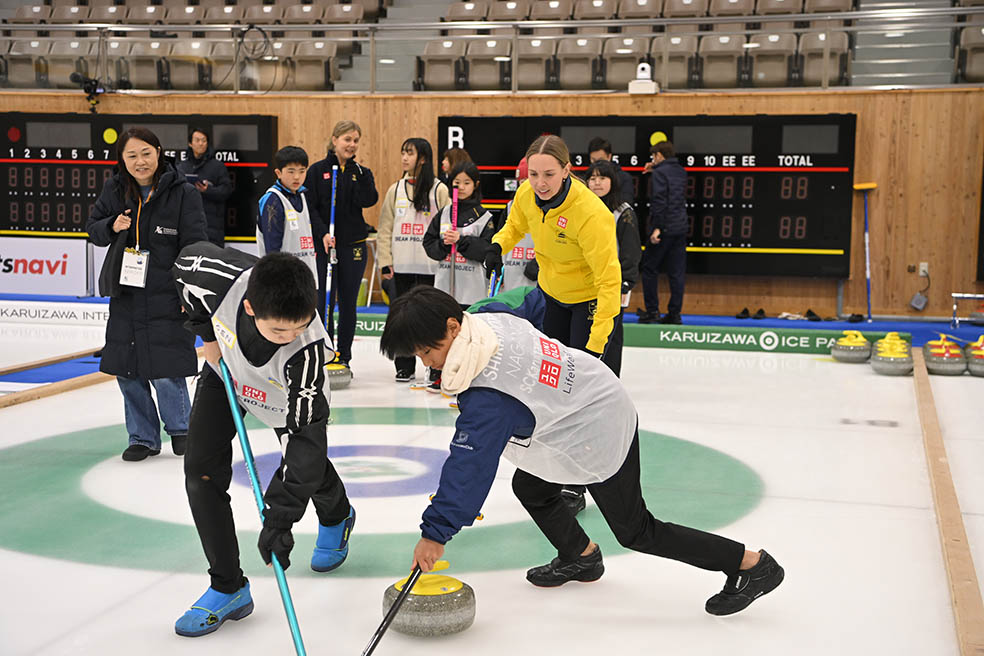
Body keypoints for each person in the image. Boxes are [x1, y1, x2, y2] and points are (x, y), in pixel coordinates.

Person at [380, 286, 785, 618]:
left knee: (637, 530)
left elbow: (469, 467)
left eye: (426, 351)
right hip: (584, 397)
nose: (426, 362)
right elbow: (538, 298)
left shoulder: (489, 396)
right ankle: (582, 555)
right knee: (532, 487)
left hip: (598, 425)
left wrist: (435, 535)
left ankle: (751, 565)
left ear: (452, 327)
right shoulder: (488, 317)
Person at [171, 244, 356, 638]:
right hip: (226, 373)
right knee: (200, 472)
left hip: (281, 394)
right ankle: (228, 586)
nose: (290, 336)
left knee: (306, 462)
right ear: (251, 308)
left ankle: (337, 513)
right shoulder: (213, 276)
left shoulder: (305, 353)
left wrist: (280, 519)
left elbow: (306, 443)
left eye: (300, 326)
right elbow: (183, 272)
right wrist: (205, 333)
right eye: (279, 330)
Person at [86, 127, 208, 462]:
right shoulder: (114, 189)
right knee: (127, 369)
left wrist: (189, 293)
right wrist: (112, 226)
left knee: (166, 367)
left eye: (145, 153)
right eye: (131, 156)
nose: (140, 162)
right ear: (122, 159)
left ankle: (181, 430)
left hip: (167, 292)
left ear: (158, 152)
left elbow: (196, 245)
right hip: (126, 293)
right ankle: (142, 437)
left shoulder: (183, 192)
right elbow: (93, 230)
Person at [487, 134, 621, 365]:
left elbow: (608, 281)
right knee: (553, 373)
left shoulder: (591, 214)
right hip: (550, 294)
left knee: (582, 375)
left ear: (566, 170)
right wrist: (497, 247)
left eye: (549, 175)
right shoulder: (526, 193)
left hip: (588, 300)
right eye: (533, 174)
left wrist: (597, 344)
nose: (540, 183)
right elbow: (515, 226)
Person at [304, 120, 379, 371]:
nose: (352, 144)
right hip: (326, 245)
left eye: (356, 140)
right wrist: (323, 233)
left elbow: (370, 199)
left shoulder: (360, 172)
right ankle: (325, 351)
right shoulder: (316, 171)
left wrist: (358, 178)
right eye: (347, 139)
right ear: (334, 140)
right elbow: (311, 208)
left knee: (348, 302)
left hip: (353, 244)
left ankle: (343, 355)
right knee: (325, 300)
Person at [376, 137, 449, 383]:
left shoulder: (439, 189)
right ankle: (404, 365)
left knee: (431, 318)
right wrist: (385, 261)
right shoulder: (395, 189)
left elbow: (447, 225)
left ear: (423, 158)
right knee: (402, 318)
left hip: (430, 267)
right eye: (403, 152)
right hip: (401, 267)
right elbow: (385, 228)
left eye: (410, 153)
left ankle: (436, 366)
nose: (405, 158)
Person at [421, 161, 496, 392]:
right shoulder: (444, 214)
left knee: (467, 333)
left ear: (475, 185)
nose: (461, 187)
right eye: (456, 183)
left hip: (471, 288)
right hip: (445, 286)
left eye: (466, 183)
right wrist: (443, 245)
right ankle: (438, 373)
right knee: (440, 329)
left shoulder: (485, 217)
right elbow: (429, 243)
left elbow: (488, 250)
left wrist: (461, 242)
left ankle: (469, 374)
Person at [582, 159, 641, 377]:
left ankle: (610, 381)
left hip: (612, 284)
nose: (596, 183)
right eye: (592, 178)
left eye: (602, 178)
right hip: (584, 284)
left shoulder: (623, 213)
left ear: (612, 182)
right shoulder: (582, 209)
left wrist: (625, 283)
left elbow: (631, 251)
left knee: (612, 335)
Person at [257, 146, 325, 292]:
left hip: (306, 278)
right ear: (278, 173)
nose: (297, 177)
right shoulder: (273, 200)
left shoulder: (302, 196)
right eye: (291, 171)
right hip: (283, 282)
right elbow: (272, 250)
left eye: (302, 171)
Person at [640, 140, 688, 325]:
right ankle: (674, 314)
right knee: (676, 273)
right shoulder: (681, 172)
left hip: (664, 228)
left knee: (649, 269)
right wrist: (654, 169)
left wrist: (657, 227)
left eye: (654, 156)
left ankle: (652, 311)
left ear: (659, 155)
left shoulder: (660, 173)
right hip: (680, 227)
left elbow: (660, 200)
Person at [176, 126, 233, 247]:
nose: (201, 144)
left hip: (213, 226)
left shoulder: (217, 166)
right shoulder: (182, 167)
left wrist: (208, 190)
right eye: (197, 140)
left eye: (204, 140)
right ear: (190, 143)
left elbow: (227, 190)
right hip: (188, 225)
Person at [499, 157, 538, 292]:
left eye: (528, 181)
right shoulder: (510, 207)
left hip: (537, 285)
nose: (525, 186)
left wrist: (539, 264)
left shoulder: (551, 208)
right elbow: (500, 238)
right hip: (511, 281)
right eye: (522, 181)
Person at [587, 136, 635, 206]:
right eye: (593, 160)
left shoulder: (624, 178)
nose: (597, 164)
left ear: (609, 157)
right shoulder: (586, 177)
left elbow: (627, 202)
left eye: (601, 160)